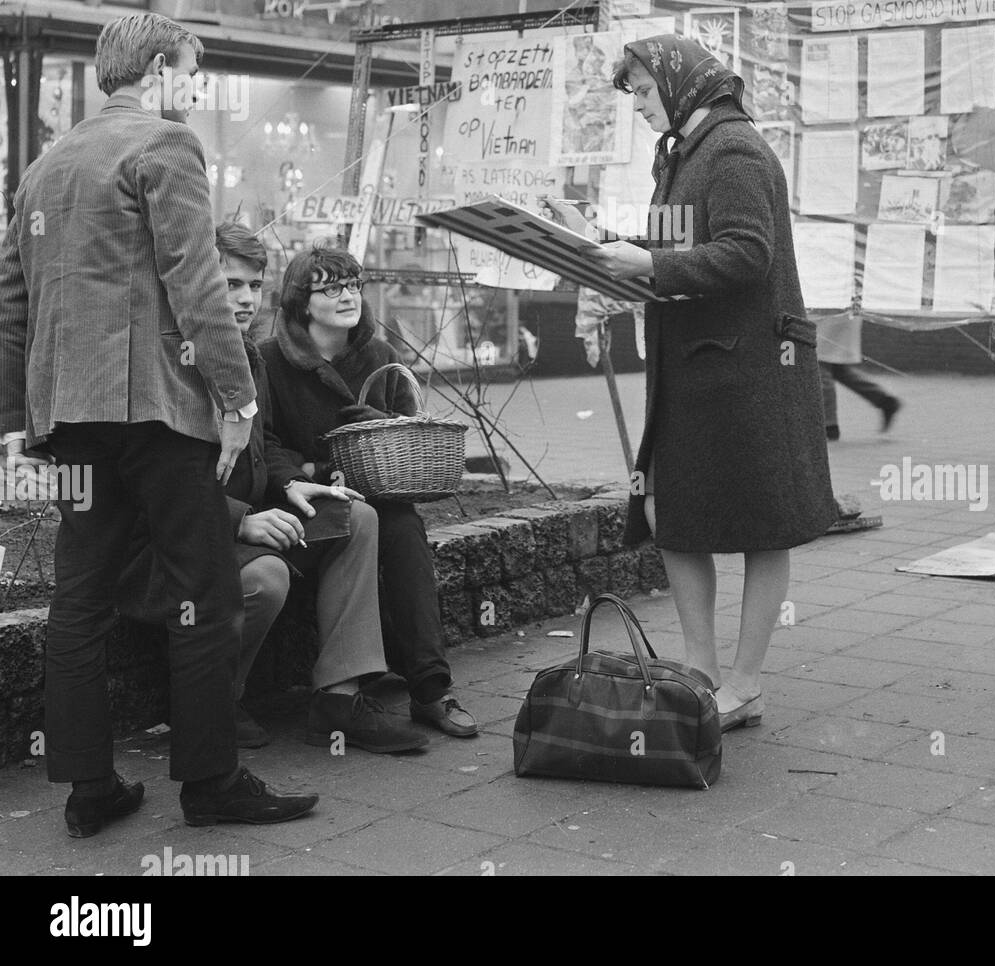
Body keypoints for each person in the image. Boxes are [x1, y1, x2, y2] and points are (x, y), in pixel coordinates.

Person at [0, 12, 316, 835]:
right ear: (158, 69)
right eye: (191, 71)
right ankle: (211, 785)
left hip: (69, 419)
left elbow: (9, 307)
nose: (195, 86)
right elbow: (197, 279)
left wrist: (12, 424)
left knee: (78, 603)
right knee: (205, 597)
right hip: (159, 413)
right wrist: (238, 399)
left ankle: (87, 790)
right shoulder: (166, 145)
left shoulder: (42, 167)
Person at [549, 37, 837, 732]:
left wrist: (645, 267)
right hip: (702, 368)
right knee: (679, 520)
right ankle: (702, 671)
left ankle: (744, 681)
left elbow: (745, 253)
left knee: (763, 526)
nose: (641, 107)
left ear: (682, 85)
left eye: (646, 93)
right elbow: (684, 249)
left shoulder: (732, 150)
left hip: (748, 374)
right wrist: (615, 254)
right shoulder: (681, 153)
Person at [116, 223, 427, 755]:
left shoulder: (247, 355)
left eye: (254, 285)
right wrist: (241, 518)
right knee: (267, 575)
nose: (244, 298)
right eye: (229, 283)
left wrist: (294, 485)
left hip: (243, 523)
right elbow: (157, 481)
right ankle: (210, 699)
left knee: (358, 517)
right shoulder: (167, 358)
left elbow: (263, 450)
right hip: (175, 543)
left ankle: (339, 697)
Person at [260, 245, 478, 739]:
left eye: (354, 285)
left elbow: (409, 430)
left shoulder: (380, 356)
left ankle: (429, 688)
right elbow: (264, 443)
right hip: (299, 501)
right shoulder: (271, 360)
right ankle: (357, 690)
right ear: (300, 301)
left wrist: (382, 424)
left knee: (404, 530)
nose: (347, 296)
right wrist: (304, 473)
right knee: (371, 523)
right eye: (330, 287)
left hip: (375, 493)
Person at [816, 311, 901, 439]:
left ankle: (829, 426)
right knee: (837, 369)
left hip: (832, 313)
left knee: (821, 365)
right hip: (839, 313)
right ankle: (884, 400)